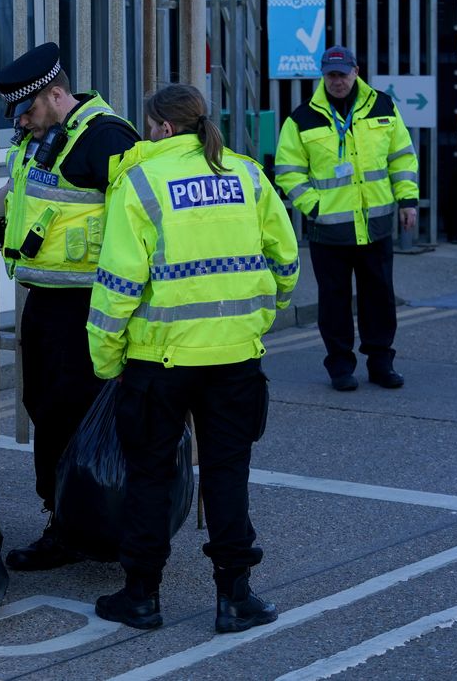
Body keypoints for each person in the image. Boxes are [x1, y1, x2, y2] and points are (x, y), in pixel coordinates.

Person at [87, 84, 300, 634]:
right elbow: (285, 258)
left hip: (159, 361)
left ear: (160, 127)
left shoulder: (141, 181)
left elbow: (117, 286)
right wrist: (262, 314)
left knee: (150, 477)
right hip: (235, 357)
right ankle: (235, 598)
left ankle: (141, 596)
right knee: (227, 475)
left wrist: (107, 360)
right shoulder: (249, 175)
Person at [0, 42, 140, 571]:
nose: (20, 121)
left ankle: (95, 525)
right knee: (45, 412)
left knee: (78, 417)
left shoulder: (106, 138)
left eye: (27, 109)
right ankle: (65, 519)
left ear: (56, 92)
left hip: (91, 308)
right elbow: (12, 194)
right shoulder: (41, 137)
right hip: (46, 305)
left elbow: (143, 219)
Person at [275, 45, 419, 392]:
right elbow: (287, 171)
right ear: (323, 76)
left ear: (356, 71)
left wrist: (408, 201)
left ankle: (381, 363)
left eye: (342, 73)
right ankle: (340, 366)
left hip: (376, 225)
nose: (337, 81)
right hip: (330, 230)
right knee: (334, 302)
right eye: (330, 74)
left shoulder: (383, 106)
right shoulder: (301, 118)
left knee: (380, 298)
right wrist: (316, 207)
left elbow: (402, 156)